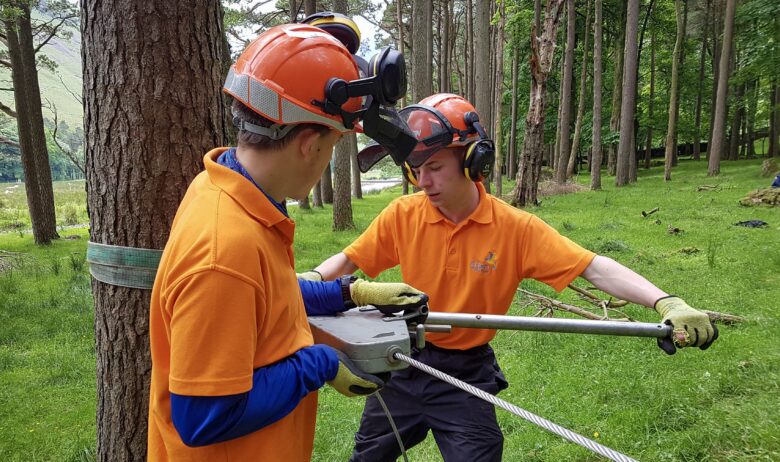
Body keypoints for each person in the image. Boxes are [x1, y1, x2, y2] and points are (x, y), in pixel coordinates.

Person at [315, 93, 719, 462]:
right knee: (368, 456)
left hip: (465, 372)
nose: (424, 182)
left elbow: (594, 267)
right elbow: (350, 259)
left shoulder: (515, 229)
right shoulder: (403, 215)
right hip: (403, 362)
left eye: (435, 167)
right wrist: (307, 280)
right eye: (416, 169)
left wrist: (667, 302)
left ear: (474, 161)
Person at [146, 24, 426, 461]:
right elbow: (202, 417)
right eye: (334, 142)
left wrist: (345, 294)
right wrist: (319, 364)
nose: (329, 156)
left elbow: (262, 296)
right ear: (310, 142)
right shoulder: (225, 250)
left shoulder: (227, 191)